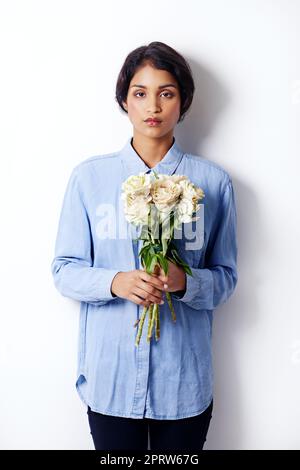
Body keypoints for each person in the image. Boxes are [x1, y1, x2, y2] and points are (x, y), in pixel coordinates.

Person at [51, 41, 238, 451]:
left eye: (166, 93)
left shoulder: (213, 184)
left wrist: (184, 282)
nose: (153, 106)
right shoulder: (89, 179)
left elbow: (226, 279)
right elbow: (63, 270)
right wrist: (115, 281)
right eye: (140, 93)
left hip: (183, 385)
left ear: (183, 102)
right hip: (110, 381)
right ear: (124, 100)